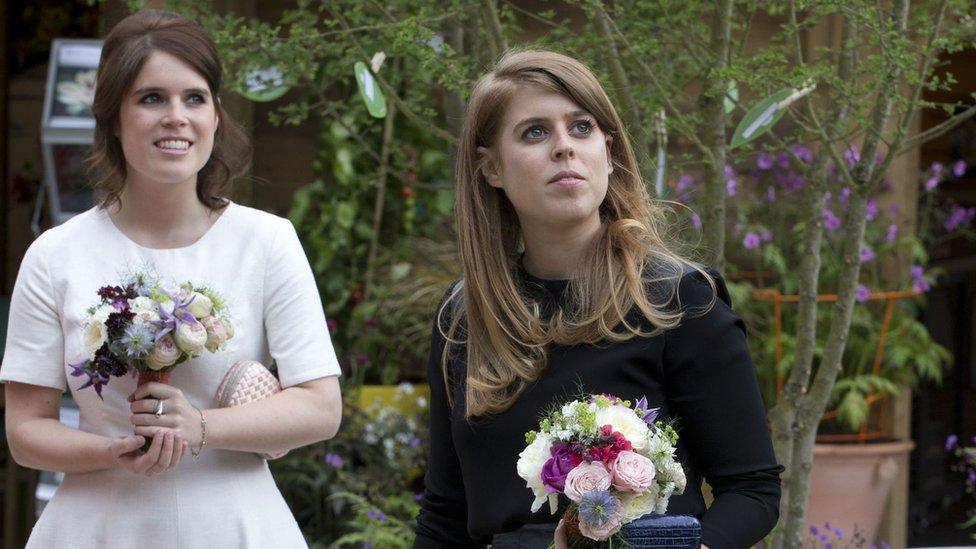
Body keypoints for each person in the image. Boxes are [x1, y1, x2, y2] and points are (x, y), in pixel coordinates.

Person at [413, 50, 782, 549]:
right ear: (491, 168)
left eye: (581, 127)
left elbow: (752, 491)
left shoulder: (677, 300)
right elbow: (444, 516)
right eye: (535, 132)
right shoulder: (463, 320)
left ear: (608, 152)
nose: (564, 147)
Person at [1, 10, 342, 548]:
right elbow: (25, 433)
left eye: (194, 98)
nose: (176, 117)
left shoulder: (267, 241)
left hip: (235, 523)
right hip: (97, 522)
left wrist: (200, 426)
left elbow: (321, 407)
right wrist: (109, 451)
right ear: (113, 117)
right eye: (151, 98)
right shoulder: (55, 256)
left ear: (215, 115)